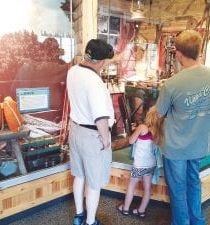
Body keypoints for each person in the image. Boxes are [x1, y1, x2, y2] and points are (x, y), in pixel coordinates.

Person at [155, 30, 210, 225]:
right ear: (199, 51)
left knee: (178, 188)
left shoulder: (172, 84)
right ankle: (198, 221)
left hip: (177, 146)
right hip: (200, 143)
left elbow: (159, 113)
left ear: (178, 53)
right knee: (193, 182)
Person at [67, 39, 115, 225]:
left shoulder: (73, 71)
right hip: (92, 135)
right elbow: (100, 116)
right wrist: (105, 139)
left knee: (79, 175)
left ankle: (79, 216)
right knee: (94, 183)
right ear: (100, 61)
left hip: (76, 130)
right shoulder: (94, 81)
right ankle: (90, 222)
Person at [117, 106, 164, 218]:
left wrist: (135, 132)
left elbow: (131, 140)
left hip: (139, 165)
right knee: (147, 188)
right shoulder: (159, 133)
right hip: (151, 165)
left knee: (131, 185)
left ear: (149, 116)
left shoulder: (142, 127)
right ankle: (141, 211)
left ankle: (125, 208)